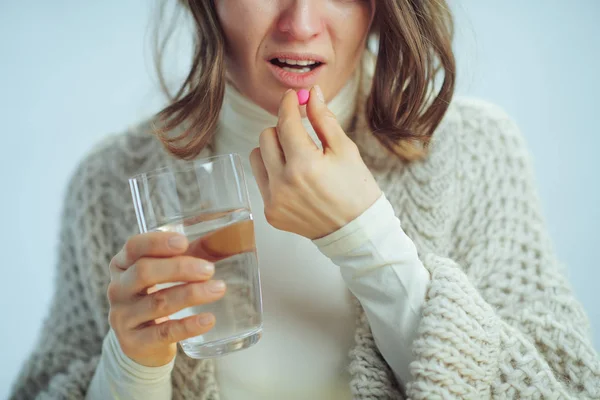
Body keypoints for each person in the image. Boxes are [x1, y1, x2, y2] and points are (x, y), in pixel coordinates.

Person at [10, 0, 600, 399]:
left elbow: (560, 385)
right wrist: (131, 366)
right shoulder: (111, 182)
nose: (300, 23)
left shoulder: (474, 152)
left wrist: (366, 237)